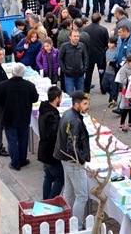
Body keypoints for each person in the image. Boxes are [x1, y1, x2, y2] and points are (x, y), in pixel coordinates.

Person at [0, 62, 39, 171]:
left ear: (12, 72)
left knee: (12, 140)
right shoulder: (29, 85)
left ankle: (15, 162)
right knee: (23, 139)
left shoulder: (3, 85)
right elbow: (35, 99)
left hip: (9, 117)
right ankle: (22, 160)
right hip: (24, 116)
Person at [54, 91, 90, 229]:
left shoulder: (69, 114)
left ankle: (66, 221)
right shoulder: (74, 120)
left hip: (65, 159)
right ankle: (77, 227)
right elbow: (72, 146)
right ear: (77, 104)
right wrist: (81, 161)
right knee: (82, 195)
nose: (87, 106)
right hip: (73, 162)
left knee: (69, 191)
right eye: (85, 104)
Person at [38, 85, 63, 199]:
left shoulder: (45, 110)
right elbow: (52, 135)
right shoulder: (51, 115)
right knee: (60, 178)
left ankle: (45, 202)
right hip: (51, 153)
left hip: (45, 151)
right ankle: (50, 203)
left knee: (47, 177)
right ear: (57, 98)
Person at [83, 13, 109, 92]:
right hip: (100, 54)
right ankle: (103, 88)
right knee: (102, 72)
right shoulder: (103, 29)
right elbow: (106, 42)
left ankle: (87, 90)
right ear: (99, 20)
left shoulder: (85, 29)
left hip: (89, 54)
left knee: (88, 73)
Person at [58, 30, 88, 94]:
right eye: (74, 36)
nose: (76, 38)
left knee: (80, 95)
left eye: (78, 36)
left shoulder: (81, 45)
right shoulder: (64, 46)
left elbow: (85, 57)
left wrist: (84, 69)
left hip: (80, 75)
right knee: (70, 95)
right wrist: (64, 70)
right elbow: (60, 58)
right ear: (70, 37)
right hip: (69, 76)